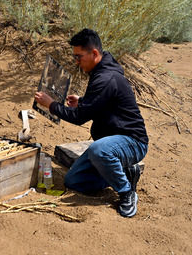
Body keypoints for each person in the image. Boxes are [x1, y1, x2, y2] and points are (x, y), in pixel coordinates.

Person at [34, 28, 148, 217]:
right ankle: (125, 173)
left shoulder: (105, 77)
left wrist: (51, 105)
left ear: (94, 53)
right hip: (113, 141)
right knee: (74, 181)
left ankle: (127, 192)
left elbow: (79, 117)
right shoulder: (102, 71)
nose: (76, 62)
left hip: (133, 142)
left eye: (79, 57)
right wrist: (83, 102)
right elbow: (102, 102)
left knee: (99, 150)